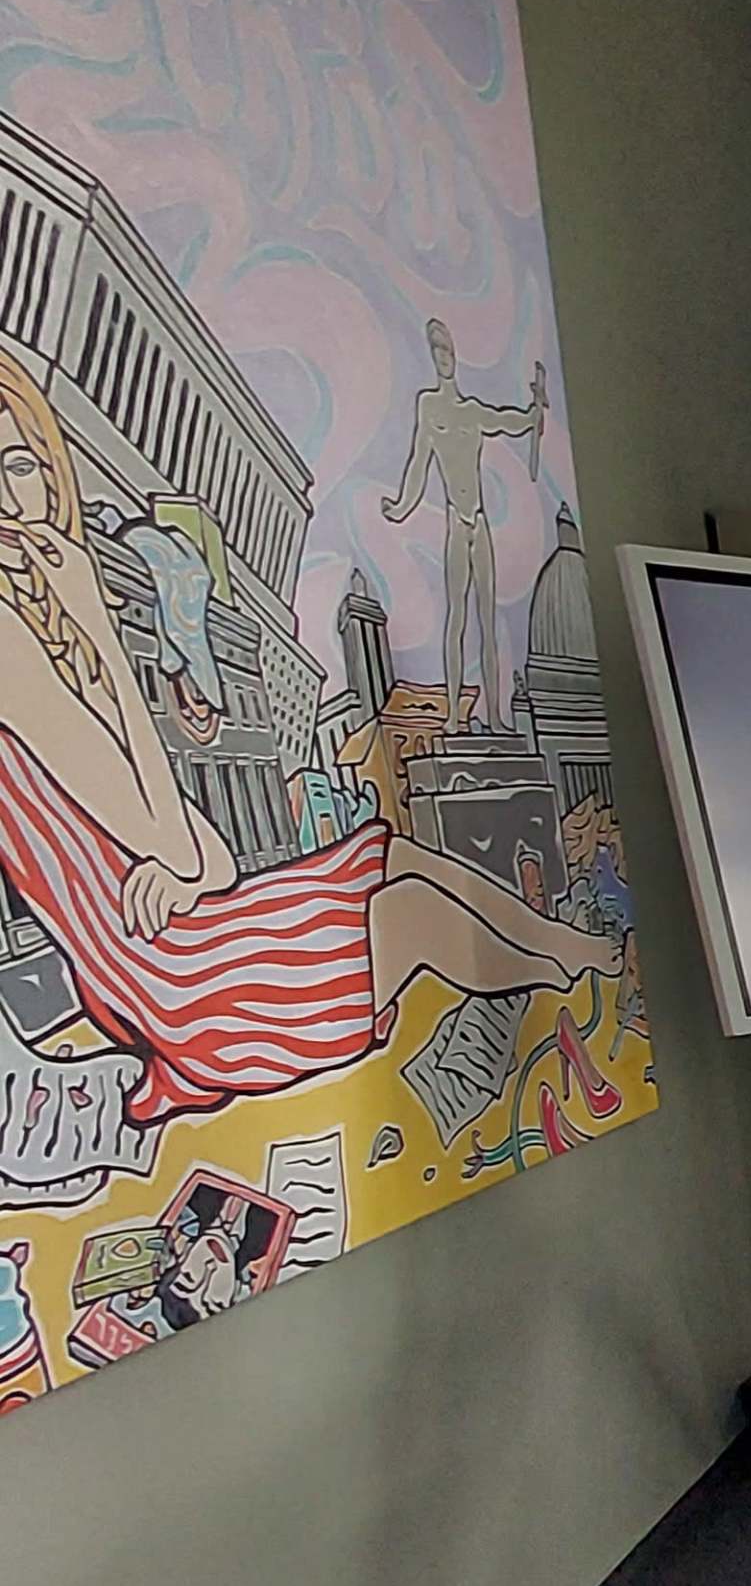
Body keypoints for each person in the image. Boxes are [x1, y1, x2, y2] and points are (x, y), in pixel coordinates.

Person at [0, 350, 616, 1129]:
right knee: (414, 914)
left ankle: (563, 952)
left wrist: (188, 870)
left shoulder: (46, 620)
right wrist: (102, 631)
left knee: (394, 854)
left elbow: (204, 852)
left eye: (18, 461)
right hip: (172, 980)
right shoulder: (13, 649)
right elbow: (163, 832)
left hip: (190, 925)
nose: (8, 496)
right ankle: (558, 965)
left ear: (48, 468)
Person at [378, 317, 546, 727]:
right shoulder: (430, 407)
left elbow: (510, 421)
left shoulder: (472, 412)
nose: (445, 358)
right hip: (456, 522)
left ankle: (494, 714)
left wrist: (533, 414)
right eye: (438, 352)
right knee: (457, 618)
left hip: (480, 524)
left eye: (449, 351)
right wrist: (400, 507)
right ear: (432, 358)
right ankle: (453, 715)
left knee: (487, 622)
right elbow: (419, 463)